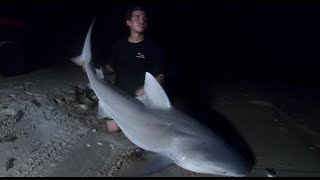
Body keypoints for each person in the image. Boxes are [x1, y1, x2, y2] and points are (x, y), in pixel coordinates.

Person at [83, 6, 166, 133]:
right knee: (113, 128)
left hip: (141, 97)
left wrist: (146, 89)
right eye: (137, 17)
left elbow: (160, 75)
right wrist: (91, 68)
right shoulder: (119, 45)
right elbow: (110, 68)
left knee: (145, 130)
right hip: (120, 93)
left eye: (144, 19)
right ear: (128, 23)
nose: (141, 20)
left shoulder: (153, 47)